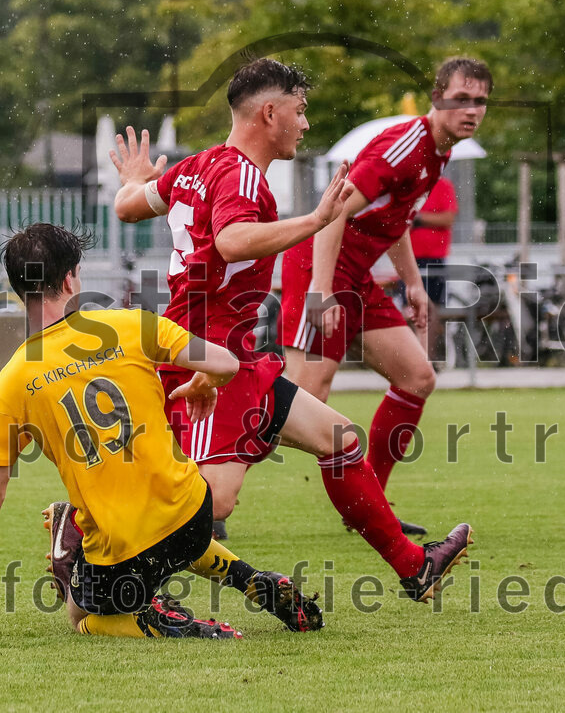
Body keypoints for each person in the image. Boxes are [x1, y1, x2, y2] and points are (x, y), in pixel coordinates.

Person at [112, 58, 471, 603]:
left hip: (232, 355)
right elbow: (233, 241)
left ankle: (413, 566)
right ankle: (101, 555)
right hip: (207, 356)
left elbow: (127, 207)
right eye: (300, 112)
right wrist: (314, 221)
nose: (305, 125)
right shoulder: (240, 174)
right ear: (270, 113)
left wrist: (134, 180)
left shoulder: (197, 165)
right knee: (216, 501)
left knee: (341, 440)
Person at [0, 223, 323, 637]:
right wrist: (203, 383)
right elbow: (227, 364)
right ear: (71, 277)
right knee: (171, 527)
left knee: (80, 616)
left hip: (123, 551)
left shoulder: (11, 384)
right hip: (194, 514)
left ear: (19, 288)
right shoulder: (133, 326)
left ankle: (160, 621)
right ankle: (254, 581)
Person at [278, 58, 492, 532]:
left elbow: (394, 222)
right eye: (461, 99)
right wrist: (320, 291)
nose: (471, 110)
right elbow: (330, 212)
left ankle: (366, 508)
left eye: (479, 101)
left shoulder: (439, 152)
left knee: (417, 377)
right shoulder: (405, 149)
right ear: (438, 98)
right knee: (299, 402)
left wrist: (412, 282)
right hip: (322, 270)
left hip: (356, 277)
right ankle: (202, 485)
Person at [409, 177, 459, 359]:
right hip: (409, 259)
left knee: (432, 310)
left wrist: (419, 219)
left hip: (434, 260)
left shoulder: (443, 185)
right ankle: (412, 356)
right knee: (410, 309)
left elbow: (448, 217)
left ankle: (426, 357)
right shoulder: (407, 183)